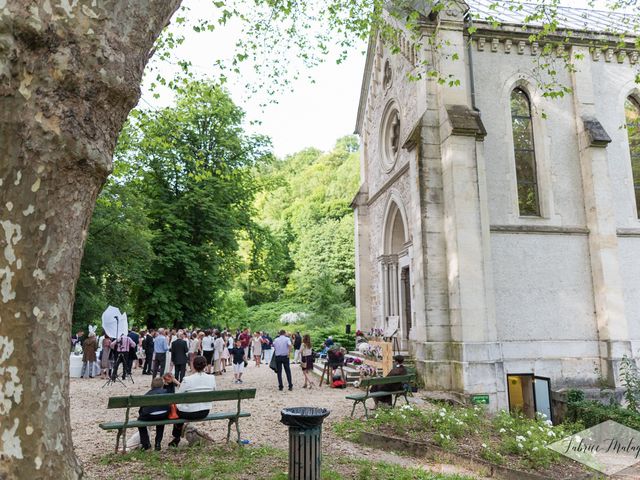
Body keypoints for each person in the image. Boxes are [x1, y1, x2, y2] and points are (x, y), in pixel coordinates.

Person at [168, 355, 216, 447]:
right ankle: (180, 435)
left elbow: (178, 396)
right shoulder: (211, 378)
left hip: (189, 412)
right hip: (204, 411)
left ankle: (176, 437)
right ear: (205, 366)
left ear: (193, 366)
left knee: (177, 409)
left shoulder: (187, 380)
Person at [137, 377, 171, 451]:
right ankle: (158, 443)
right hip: (163, 415)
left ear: (151, 386)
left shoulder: (147, 394)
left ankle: (146, 443)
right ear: (162, 385)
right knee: (161, 421)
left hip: (150, 415)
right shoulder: (166, 392)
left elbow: (141, 409)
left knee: (139, 422)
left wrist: (142, 414)